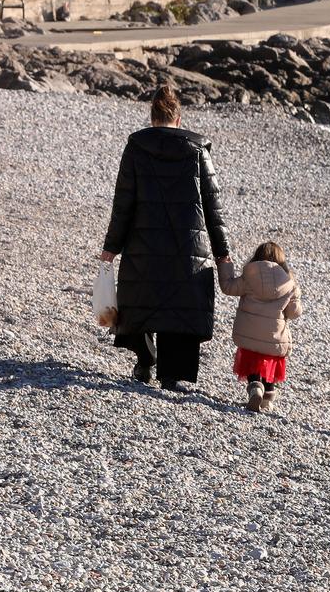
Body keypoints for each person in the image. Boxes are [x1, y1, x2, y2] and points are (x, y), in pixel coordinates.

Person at [100, 84, 231, 392]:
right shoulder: (197, 151)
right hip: (189, 245)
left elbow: (123, 203)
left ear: (152, 116)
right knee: (181, 304)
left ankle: (145, 362)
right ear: (179, 118)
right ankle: (171, 375)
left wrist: (111, 247)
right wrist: (222, 251)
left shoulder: (136, 148)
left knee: (142, 297)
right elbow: (213, 206)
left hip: (142, 240)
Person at [219, 241, 302, 413]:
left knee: (251, 359)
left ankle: (255, 388)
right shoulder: (288, 283)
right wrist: (295, 296)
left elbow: (228, 287)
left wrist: (224, 264)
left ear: (256, 257)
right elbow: (294, 313)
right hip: (274, 336)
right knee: (271, 361)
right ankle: (267, 398)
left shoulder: (249, 277)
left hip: (249, 332)